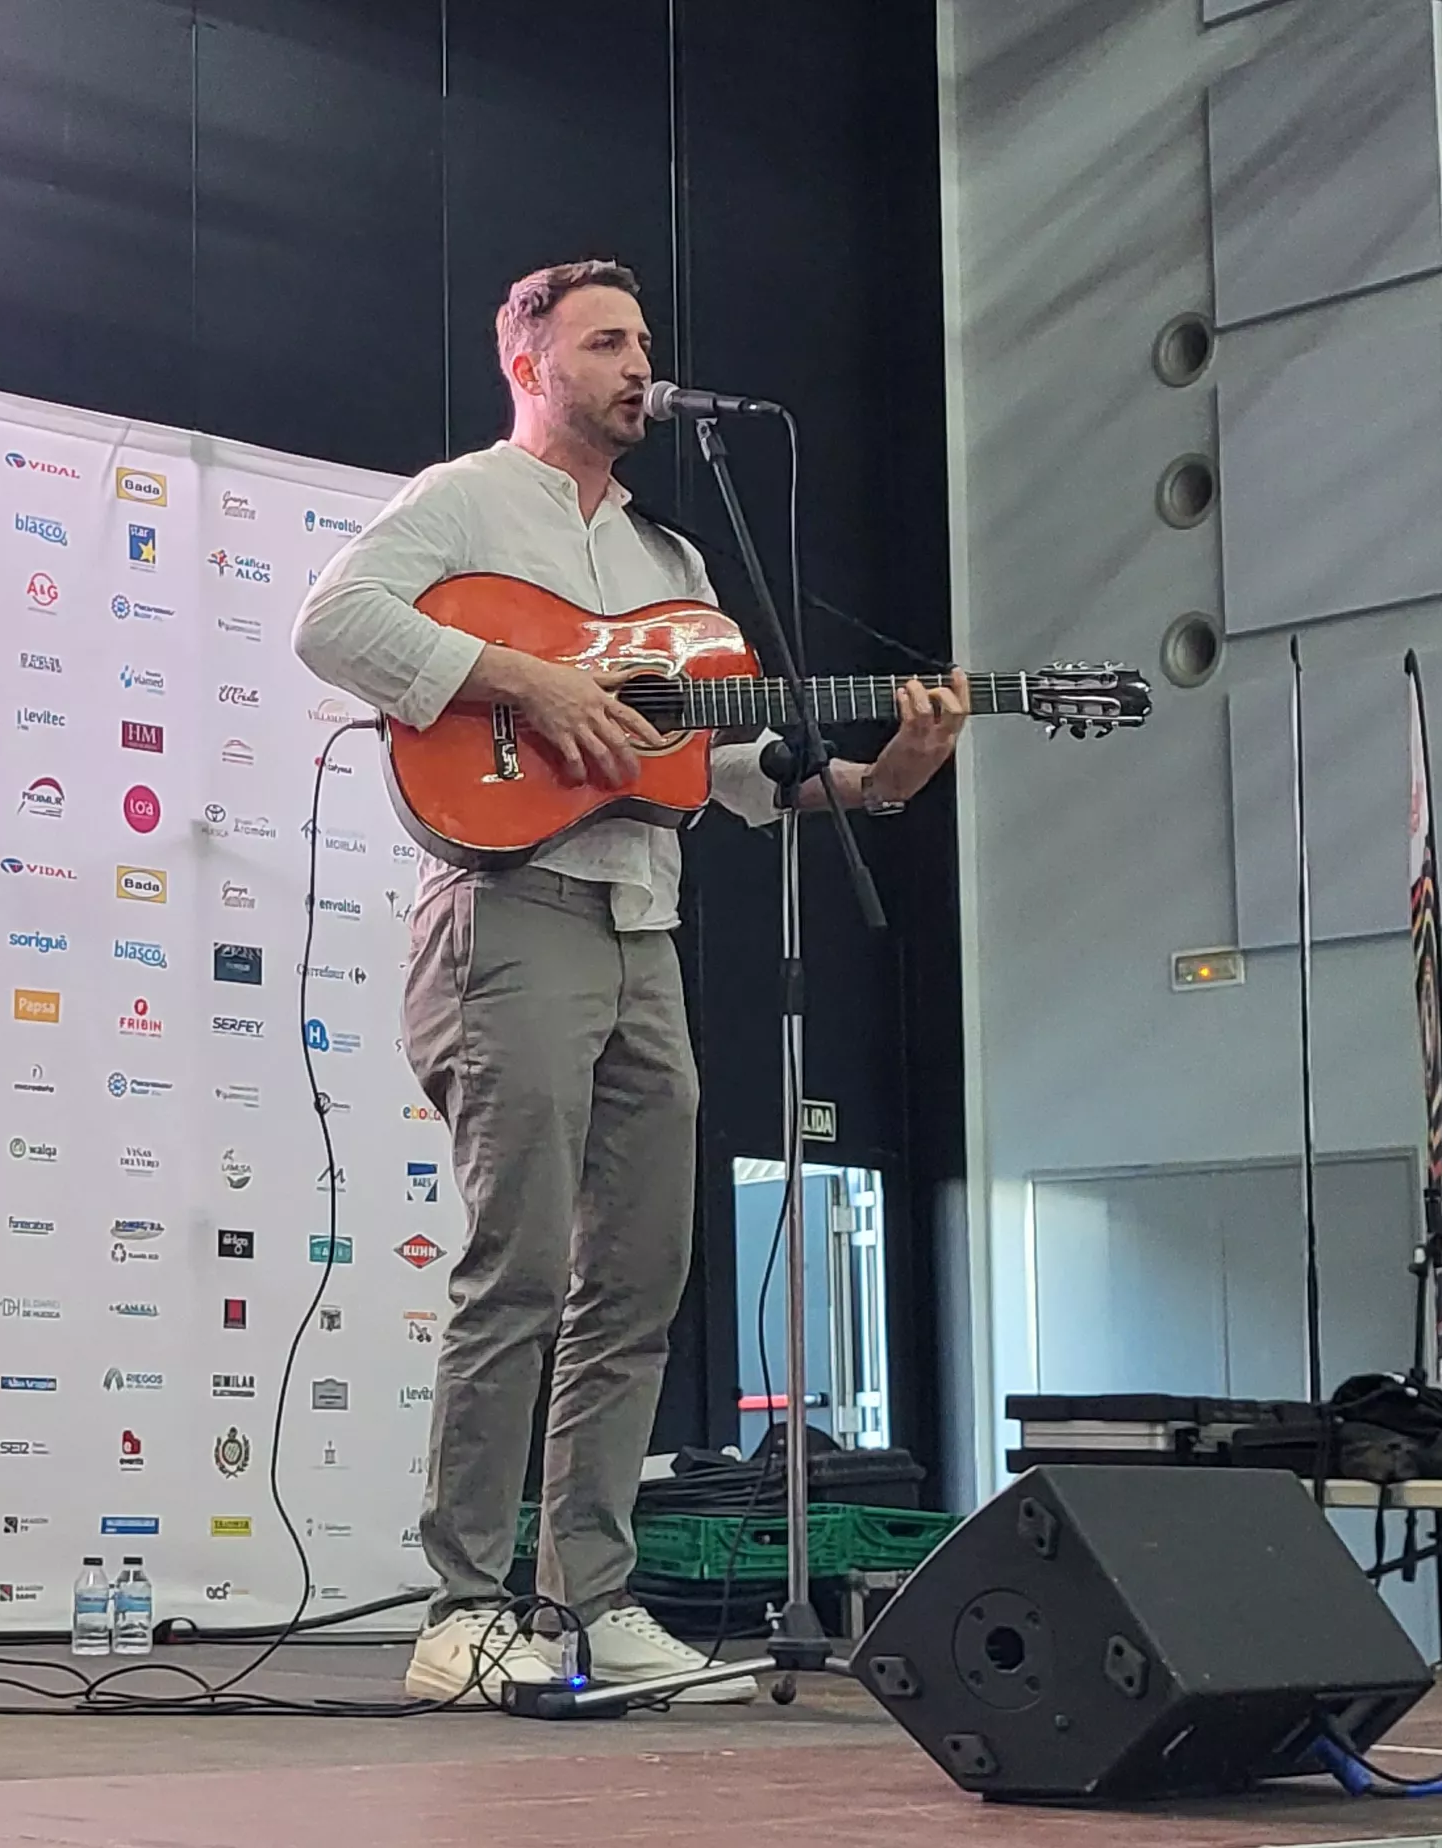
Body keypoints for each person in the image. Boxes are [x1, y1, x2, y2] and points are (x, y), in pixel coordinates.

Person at [293, 260, 968, 1701]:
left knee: (641, 1282)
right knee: (518, 1264)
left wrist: (885, 777)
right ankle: (465, 1607)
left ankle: (589, 1601)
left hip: (643, 927)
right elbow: (333, 625)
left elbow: (725, 768)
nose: (637, 367)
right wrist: (529, 684)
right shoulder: (465, 497)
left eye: (646, 345)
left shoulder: (679, 561)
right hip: (508, 908)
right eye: (607, 343)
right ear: (529, 365)